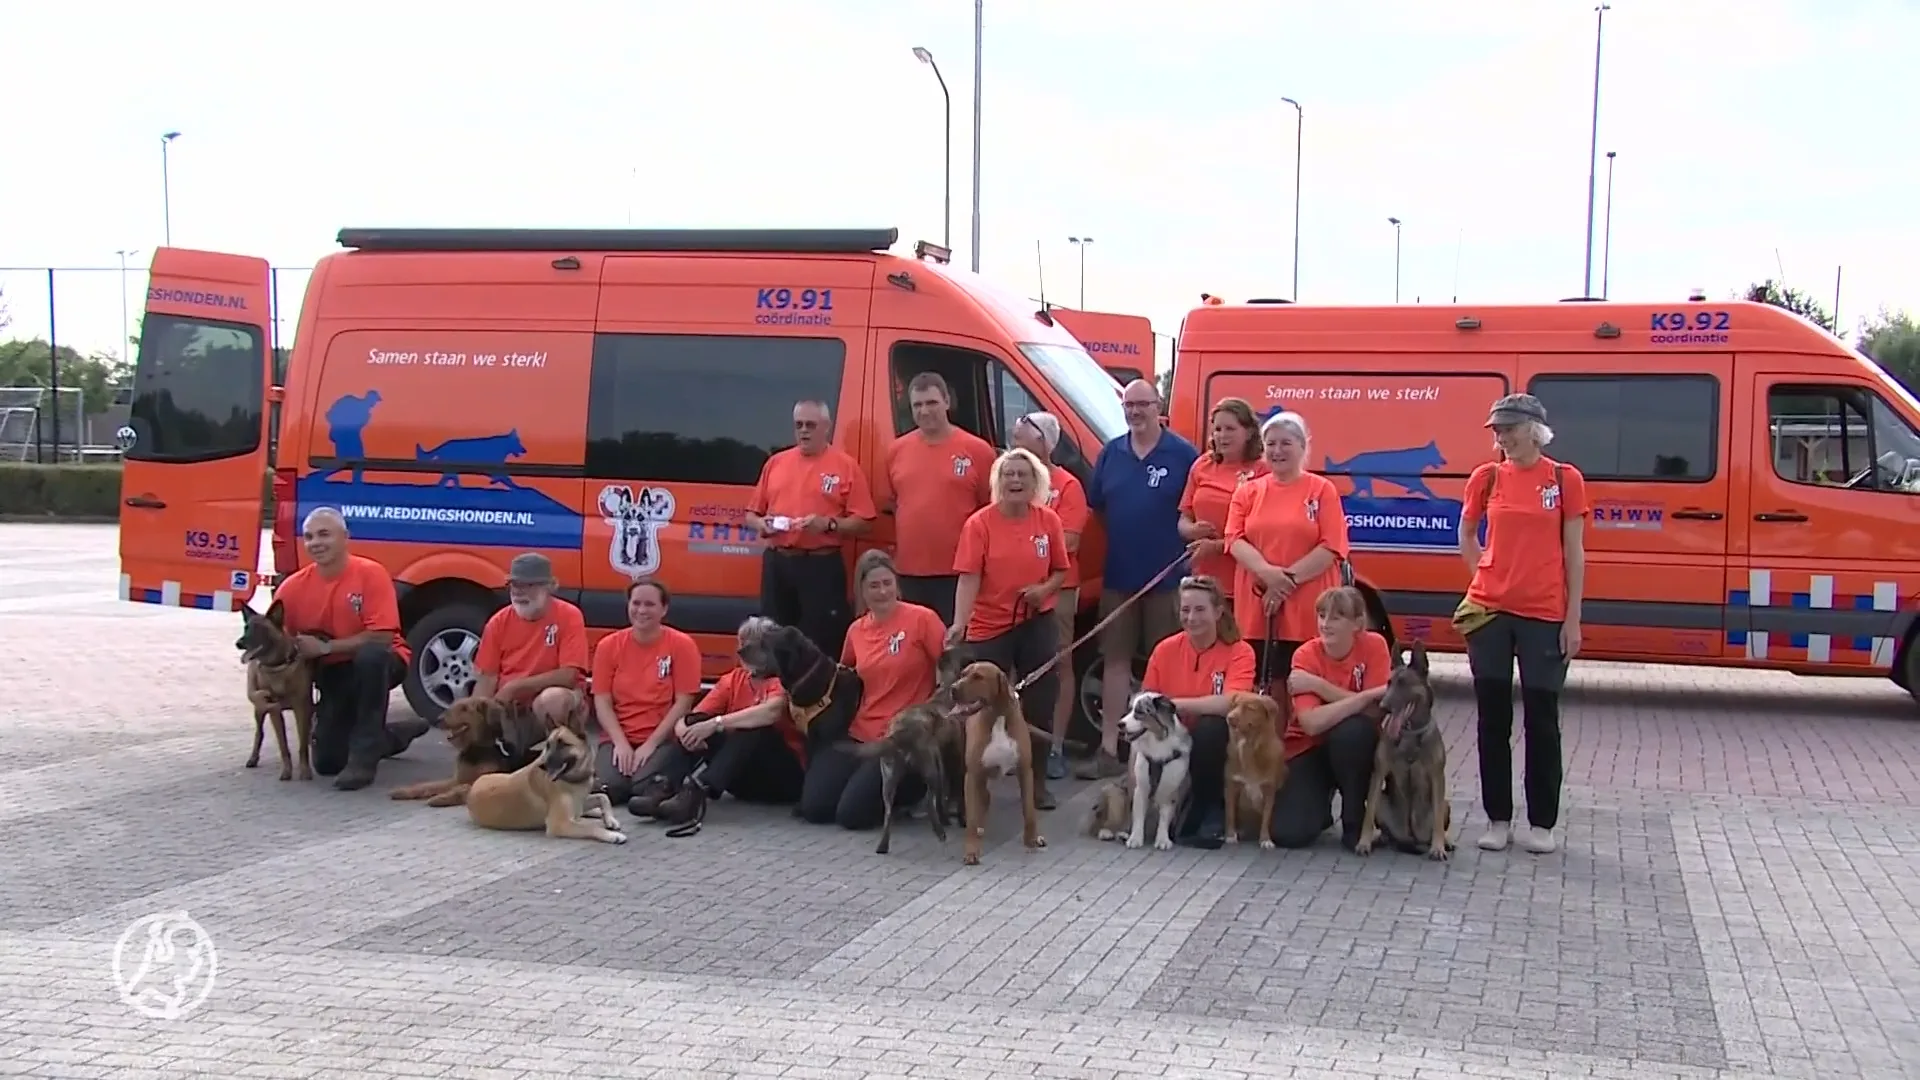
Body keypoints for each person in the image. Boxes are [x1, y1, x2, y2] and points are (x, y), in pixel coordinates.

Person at [1456, 392, 1589, 855]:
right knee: (1492, 718)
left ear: (1534, 429)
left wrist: (1573, 618)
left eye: (1510, 428)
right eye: (1497, 430)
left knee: (1542, 719)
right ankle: (1497, 818)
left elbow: (1574, 551)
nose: (1503, 438)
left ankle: (1542, 822)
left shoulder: (1563, 478)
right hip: (1490, 613)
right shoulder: (1486, 477)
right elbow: (1467, 532)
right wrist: (1483, 575)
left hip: (1545, 612)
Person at [1081, 379, 1199, 780]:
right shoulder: (1111, 453)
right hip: (1119, 578)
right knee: (1114, 662)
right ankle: (1109, 751)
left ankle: (1160, 750)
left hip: (1169, 579)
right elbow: (1098, 508)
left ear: (1158, 406)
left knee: (1162, 665)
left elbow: (1193, 512)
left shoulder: (1183, 454)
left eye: (1142, 404)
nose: (1134, 412)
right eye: (1128, 405)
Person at [272, 507, 429, 790]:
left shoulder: (370, 573)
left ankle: (364, 758)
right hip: (332, 671)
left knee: (371, 657)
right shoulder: (292, 588)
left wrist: (325, 647)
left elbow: (382, 637)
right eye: (308, 537)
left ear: (345, 537)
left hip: (382, 660)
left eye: (324, 534)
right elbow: (274, 639)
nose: (315, 543)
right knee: (328, 762)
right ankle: (388, 737)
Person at [951, 447, 1072, 809]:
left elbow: (1061, 570)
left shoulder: (1048, 521)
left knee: (1039, 701)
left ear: (1036, 481)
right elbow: (968, 576)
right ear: (998, 482)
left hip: (1035, 621)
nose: (1015, 480)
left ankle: (1035, 785)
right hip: (990, 625)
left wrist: (1044, 590)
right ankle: (968, 786)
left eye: (1023, 474)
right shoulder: (979, 524)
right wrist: (960, 623)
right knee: (978, 705)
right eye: (1008, 474)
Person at [797, 550, 947, 827]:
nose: (882, 592)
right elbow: (843, 677)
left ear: (897, 584)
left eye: (887, 583)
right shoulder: (856, 631)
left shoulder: (922, 619)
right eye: (874, 586)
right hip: (862, 732)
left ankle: (912, 793)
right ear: (862, 591)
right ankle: (864, 787)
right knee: (814, 808)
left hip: (903, 737)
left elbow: (950, 667)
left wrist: (934, 711)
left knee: (851, 817)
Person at [745, 399, 877, 658]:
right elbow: (751, 513)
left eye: (810, 425)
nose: (804, 431)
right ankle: (777, 695)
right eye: (799, 425)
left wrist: (828, 524)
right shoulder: (776, 463)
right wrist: (762, 524)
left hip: (821, 567)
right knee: (773, 639)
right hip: (778, 564)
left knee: (821, 642)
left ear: (826, 427)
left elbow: (865, 522)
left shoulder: (845, 466)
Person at [1225, 410, 1351, 682]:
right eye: (1271, 444)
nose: (1277, 450)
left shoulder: (1322, 489)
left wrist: (1283, 584)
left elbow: (1332, 547)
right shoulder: (1248, 491)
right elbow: (1234, 539)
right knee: (1262, 685)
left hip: (1308, 608)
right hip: (1258, 606)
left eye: (1286, 443)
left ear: (1302, 447)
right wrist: (1268, 574)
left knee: (1303, 684)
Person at [1135, 576, 1257, 849]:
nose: (1191, 618)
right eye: (1185, 610)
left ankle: (1211, 808)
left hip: (1211, 741)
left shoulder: (1240, 651)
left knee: (1212, 727)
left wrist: (1174, 705)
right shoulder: (1164, 650)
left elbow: (1231, 702)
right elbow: (1144, 704)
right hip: (1170, 738)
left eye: (1200, 610)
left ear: (1218, 611)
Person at [638, 617, 803, 806]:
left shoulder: (784, 680)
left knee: (754, 727)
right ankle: (664, 787)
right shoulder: (733, 680)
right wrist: (685, 730)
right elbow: (693, 717)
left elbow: (771, 711)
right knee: (697, 723)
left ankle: (698, 791)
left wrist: (716, 724)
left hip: (783, 778)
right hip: (743, 777)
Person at [1276, 586, 1391, 850]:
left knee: (1354, 731)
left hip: (1353, 746)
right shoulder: (1305, 654)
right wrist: (1363, 697)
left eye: (1337, 617)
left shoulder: (1375, 645)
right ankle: (1320, 803)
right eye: (1322, 616)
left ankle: (1354, 820)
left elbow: (1378, 710)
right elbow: (1311, 723)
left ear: (1358, 623)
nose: (1325, 624)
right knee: (1289, 834)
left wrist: (1318, 686)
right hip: (1308, 746)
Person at [1011, 411, 1089, 783]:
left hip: (1058, 589)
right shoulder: (1007, 478)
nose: (1014, 441)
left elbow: (1070, 541)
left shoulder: (1067, 485)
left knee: (1058, 666)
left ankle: (1053, 747)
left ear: (1045, 441)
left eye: (1022, 434)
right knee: (1013, 669)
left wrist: (1022, 547)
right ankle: (1014, 745)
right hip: (1008, 591)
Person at [882, 372, 994, 628]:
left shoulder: (978, 450)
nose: (924, 411)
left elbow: (989, 511)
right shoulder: (896, 451)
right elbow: (890, 503)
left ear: (947, 401)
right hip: (909, 572)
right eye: (917, 405)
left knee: (954, 650)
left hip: (959, 574)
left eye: (931, 403)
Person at [589, 577, 703, 807]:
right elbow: (602, 701)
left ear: (664, 609)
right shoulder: (608, 646)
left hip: (662, 738)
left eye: (650, 604)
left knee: (641, 786)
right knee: (610, 787)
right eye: (636, 603)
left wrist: (650, 745)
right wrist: (620, 743)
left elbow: (683, 703)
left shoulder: (682, 645)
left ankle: (668, 782)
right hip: (619, 735)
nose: (641, 610)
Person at [472, 552, 590, 730]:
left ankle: (557, 751)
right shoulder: (498, 622)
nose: (518, 591)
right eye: (514, 585)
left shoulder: (569, 615)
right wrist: (476, 717)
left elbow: (568, 676)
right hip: (510, 708)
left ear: (550, 586)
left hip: (551, 701)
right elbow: (486, 680)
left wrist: (515, 687)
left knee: (552, 699)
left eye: (528, 585)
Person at [1179, 397, 1267, 587]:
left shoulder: (1263, 471)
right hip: (1203, 581)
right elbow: (1183, 519)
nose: (1222, 435)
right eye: (1218, 430)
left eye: (1230, 429)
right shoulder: (1202, 465)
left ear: (1249, 432)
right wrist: (1191, 530)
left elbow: (1264, 534)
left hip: (1245, 581)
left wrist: (1218, 547)